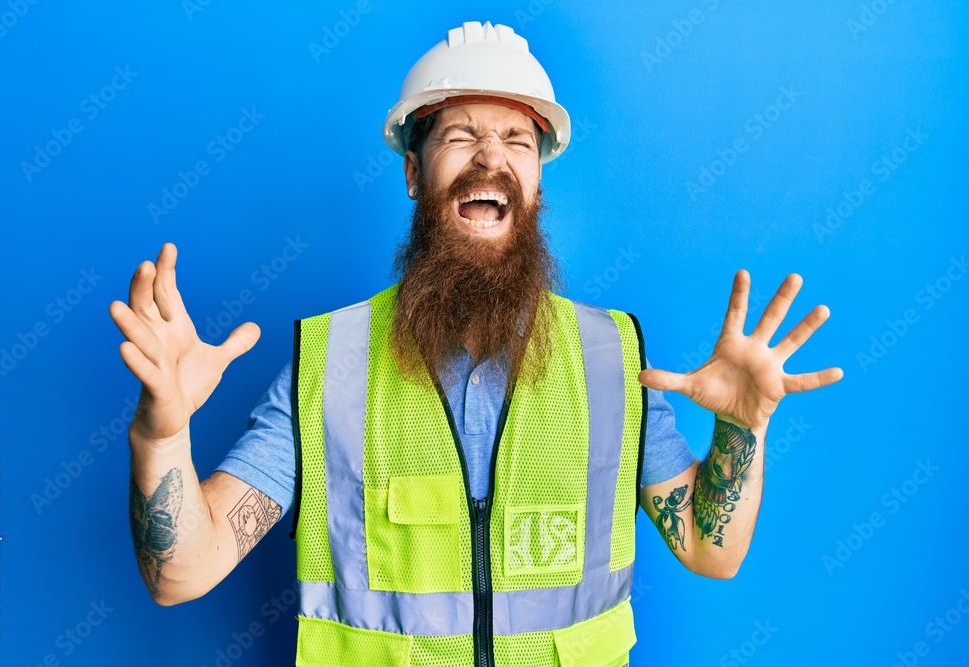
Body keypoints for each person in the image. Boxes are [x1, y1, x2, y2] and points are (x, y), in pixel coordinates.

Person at [109, 21, 842, 666]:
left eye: (517, 140)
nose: (490, 158)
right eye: (460, 136)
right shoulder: (325, 365)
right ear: (412, 172)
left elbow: (711, 548)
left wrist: (742, 428)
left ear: (537, 183)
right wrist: (162, 432)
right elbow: (181, 572)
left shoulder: (614, 362)